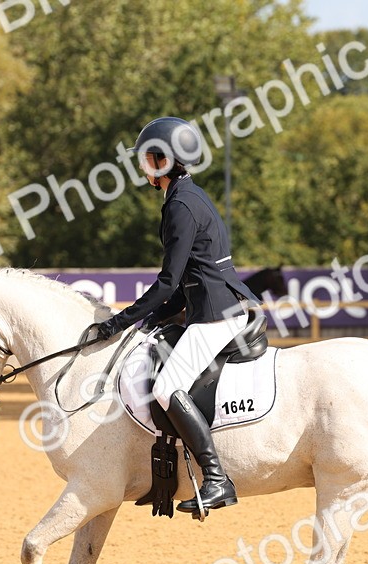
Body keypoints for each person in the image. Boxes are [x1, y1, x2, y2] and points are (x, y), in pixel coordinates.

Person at [93, 116, 261, 515]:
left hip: (216, 313)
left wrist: (120, 322)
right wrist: (154, 318)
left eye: (146, 158)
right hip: (211, 304)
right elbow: (187, 279)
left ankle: (216, 478)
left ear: (163, 160)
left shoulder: (181, 206)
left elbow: (168, 282)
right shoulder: (186, 196)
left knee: (167, 388)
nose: (141, 166)